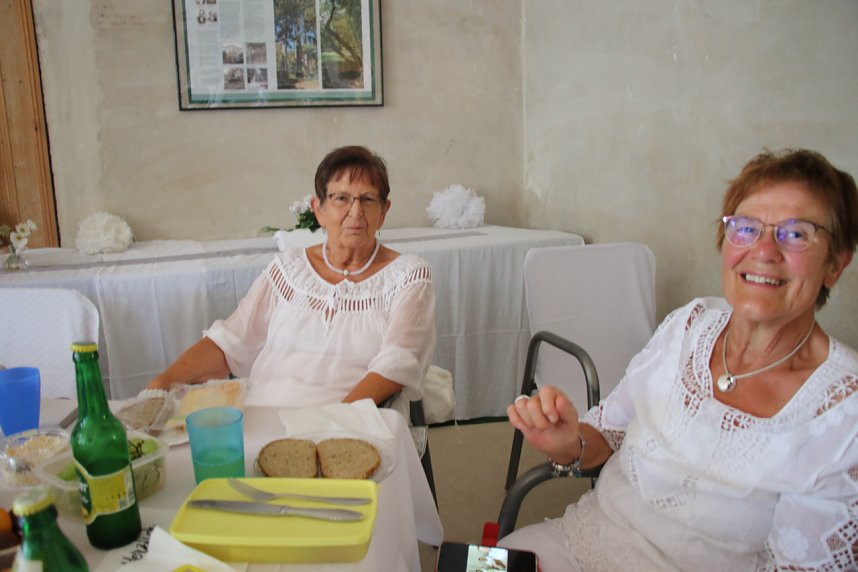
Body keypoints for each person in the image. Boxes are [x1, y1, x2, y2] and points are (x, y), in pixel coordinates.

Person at [502, 148, 858, 571]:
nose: (764, 250)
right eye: (745, 228)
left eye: (795, 233)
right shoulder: (688, 327)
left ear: (835, 264)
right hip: (583, 539)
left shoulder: (843, 414)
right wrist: (569, 444)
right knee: (473, 566)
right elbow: (607, 434)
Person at [148, 146, 436, 411]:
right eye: (341, 198)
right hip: (265, 411)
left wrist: (333, 422)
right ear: (319, 210)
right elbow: (230, 342)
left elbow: (396, 364)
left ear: (384, 212)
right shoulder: (288, 269)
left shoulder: (408, 276)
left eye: (368, 199)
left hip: (353, 421)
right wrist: (163, 382)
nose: (355, 212)